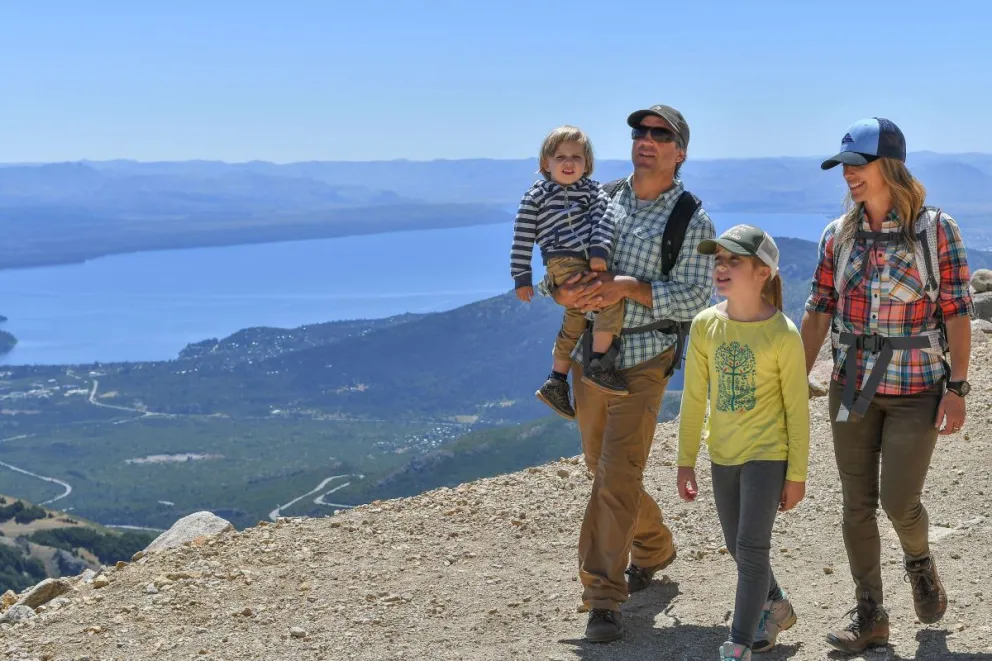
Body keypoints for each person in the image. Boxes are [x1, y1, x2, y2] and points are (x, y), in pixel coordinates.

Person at [540, 104, 716, 643]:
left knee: (615, 478)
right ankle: (655, 547)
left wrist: (627, 287)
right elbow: (559, 255)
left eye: (660, 134)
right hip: (591, 357)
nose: (646, 139)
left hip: (644, 359)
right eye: (641, 131)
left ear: (679, 152)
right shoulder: (599, 197)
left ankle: (602, 598)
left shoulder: (691, 219)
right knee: (603, 469)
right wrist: (557, 290)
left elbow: (696, 296)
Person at [801, 117, 974, 654]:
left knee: (900, 502)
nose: (848, 175)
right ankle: (870, 612)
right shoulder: (838, 235)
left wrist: (958, 388)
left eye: (859, 165)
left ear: (891, 166)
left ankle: (919, 561)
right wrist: (793, 378)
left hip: (917, 385)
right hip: (853, 380)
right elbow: (819, 309)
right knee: (856, 503)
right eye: (844, 166)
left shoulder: (935, 230)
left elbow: (957, 310)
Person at [677, 225, 809, 661]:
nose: (722, 267)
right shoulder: (705, 325)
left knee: (752, 548)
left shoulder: (783, 334)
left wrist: (796, 475)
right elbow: (694, 398)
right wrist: (685, 461)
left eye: (734, 260)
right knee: (737, 546)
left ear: (763, 271)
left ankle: (738, 642)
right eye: (718, 260)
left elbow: (797, 412)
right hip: (723, 453)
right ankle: (777, 604)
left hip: (768, 454)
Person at [510, 126, 628, 419]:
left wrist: (599, 251)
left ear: (587, 164)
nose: (569, 162)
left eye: (576, 157)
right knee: (610, 300)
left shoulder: (593, 191)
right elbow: (522, 236)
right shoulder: (536, 195)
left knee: (575, 318)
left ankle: (556, 379)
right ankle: (599, 364)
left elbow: (604, 220)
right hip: (562, 262)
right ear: (545, 163)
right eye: (560, 156)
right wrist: (521, 277)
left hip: (590, 260)